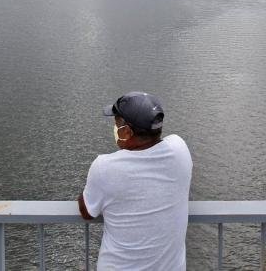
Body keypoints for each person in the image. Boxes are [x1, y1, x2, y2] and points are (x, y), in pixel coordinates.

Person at [78, 91, 193, 270]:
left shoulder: (105, 166)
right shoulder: (180, 150)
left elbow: (87, 211)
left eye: (117, 124)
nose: (115, 128)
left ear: (127, 132)